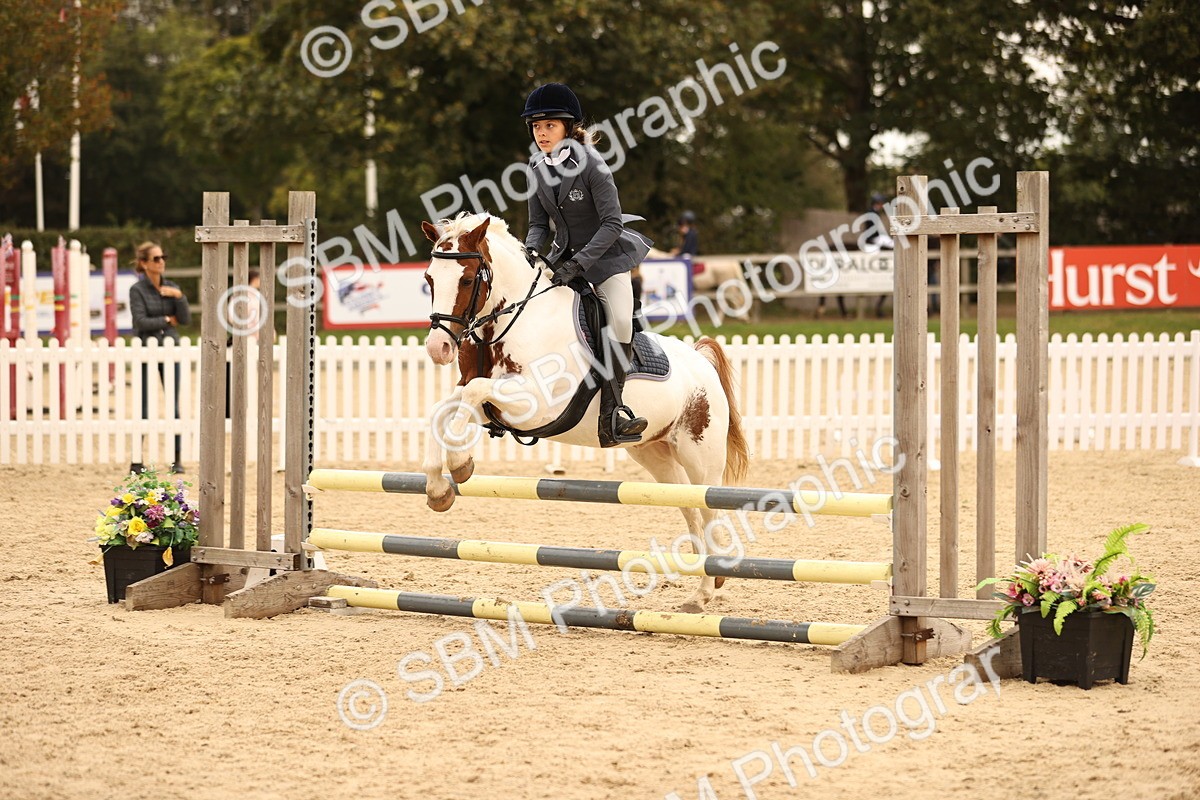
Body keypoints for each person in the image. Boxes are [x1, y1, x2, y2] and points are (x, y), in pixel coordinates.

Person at [521, 82, 652, 447]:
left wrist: (579, 264)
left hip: (606, 259)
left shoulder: (593, 165)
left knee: (621, 319)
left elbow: (612, 224)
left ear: (567, 127)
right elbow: (536, 225)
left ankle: (615, 413)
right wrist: (532, 253)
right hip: (562, 258)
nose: (541, 133)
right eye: (536, 126)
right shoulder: (535, 166)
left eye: (549, 125)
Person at [128, 241, 190, 474]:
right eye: (156, 258)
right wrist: (166, 320)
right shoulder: (137, 290)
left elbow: (184, 320)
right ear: (144, 264)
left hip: (170, 348)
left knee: (173, 403)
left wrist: (180, 296)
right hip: (145, 349)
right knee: (143, 404)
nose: (161, 261)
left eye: (163, 257)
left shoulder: (172, 286)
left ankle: (177, 459)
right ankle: (136, 460)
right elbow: (140, 322)